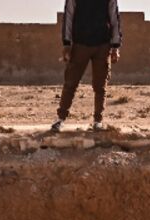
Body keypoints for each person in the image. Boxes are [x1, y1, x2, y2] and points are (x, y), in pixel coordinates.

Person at [52, 0, 123, 133]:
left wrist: (115, 46)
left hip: (102, 45)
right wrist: (67, 44)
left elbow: (114, 18)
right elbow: (68, 16)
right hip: (80, 44)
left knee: (100, 86)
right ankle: (60, 119)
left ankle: (98, 121)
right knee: (70, 83)